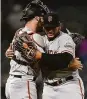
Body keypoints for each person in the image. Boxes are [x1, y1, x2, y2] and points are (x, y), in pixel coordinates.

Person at [33, 13, 84, 99]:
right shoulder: (41, 40)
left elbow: (64, 60)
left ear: (59, 26)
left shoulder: (65, 38)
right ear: (43, 27)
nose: (50, 30)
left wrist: (41, 56)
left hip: (68, 85)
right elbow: (40, 62)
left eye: (53, 27)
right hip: (48, 88)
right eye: (48, 28)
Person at [5, 0, 50, 99]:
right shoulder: (36, 38)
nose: (45, 22)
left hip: (11, 83)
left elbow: (9, 51)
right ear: (37, 18)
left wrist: (8, 52)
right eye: (43, 18)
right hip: (23, 84)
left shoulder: (19, 31)